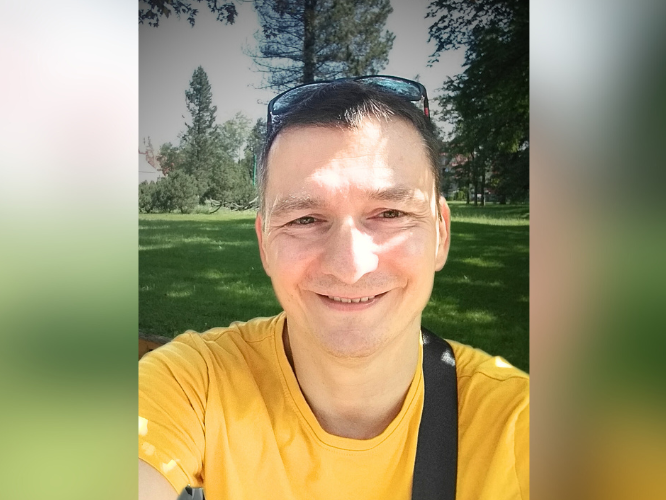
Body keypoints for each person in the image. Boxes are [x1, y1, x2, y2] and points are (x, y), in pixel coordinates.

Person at [139, 76, 529, 500]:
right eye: (305, 219)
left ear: (441, 233)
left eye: (390, 213)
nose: (350, 267)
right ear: (264, 244)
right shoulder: (194, 383)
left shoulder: (519, 424)